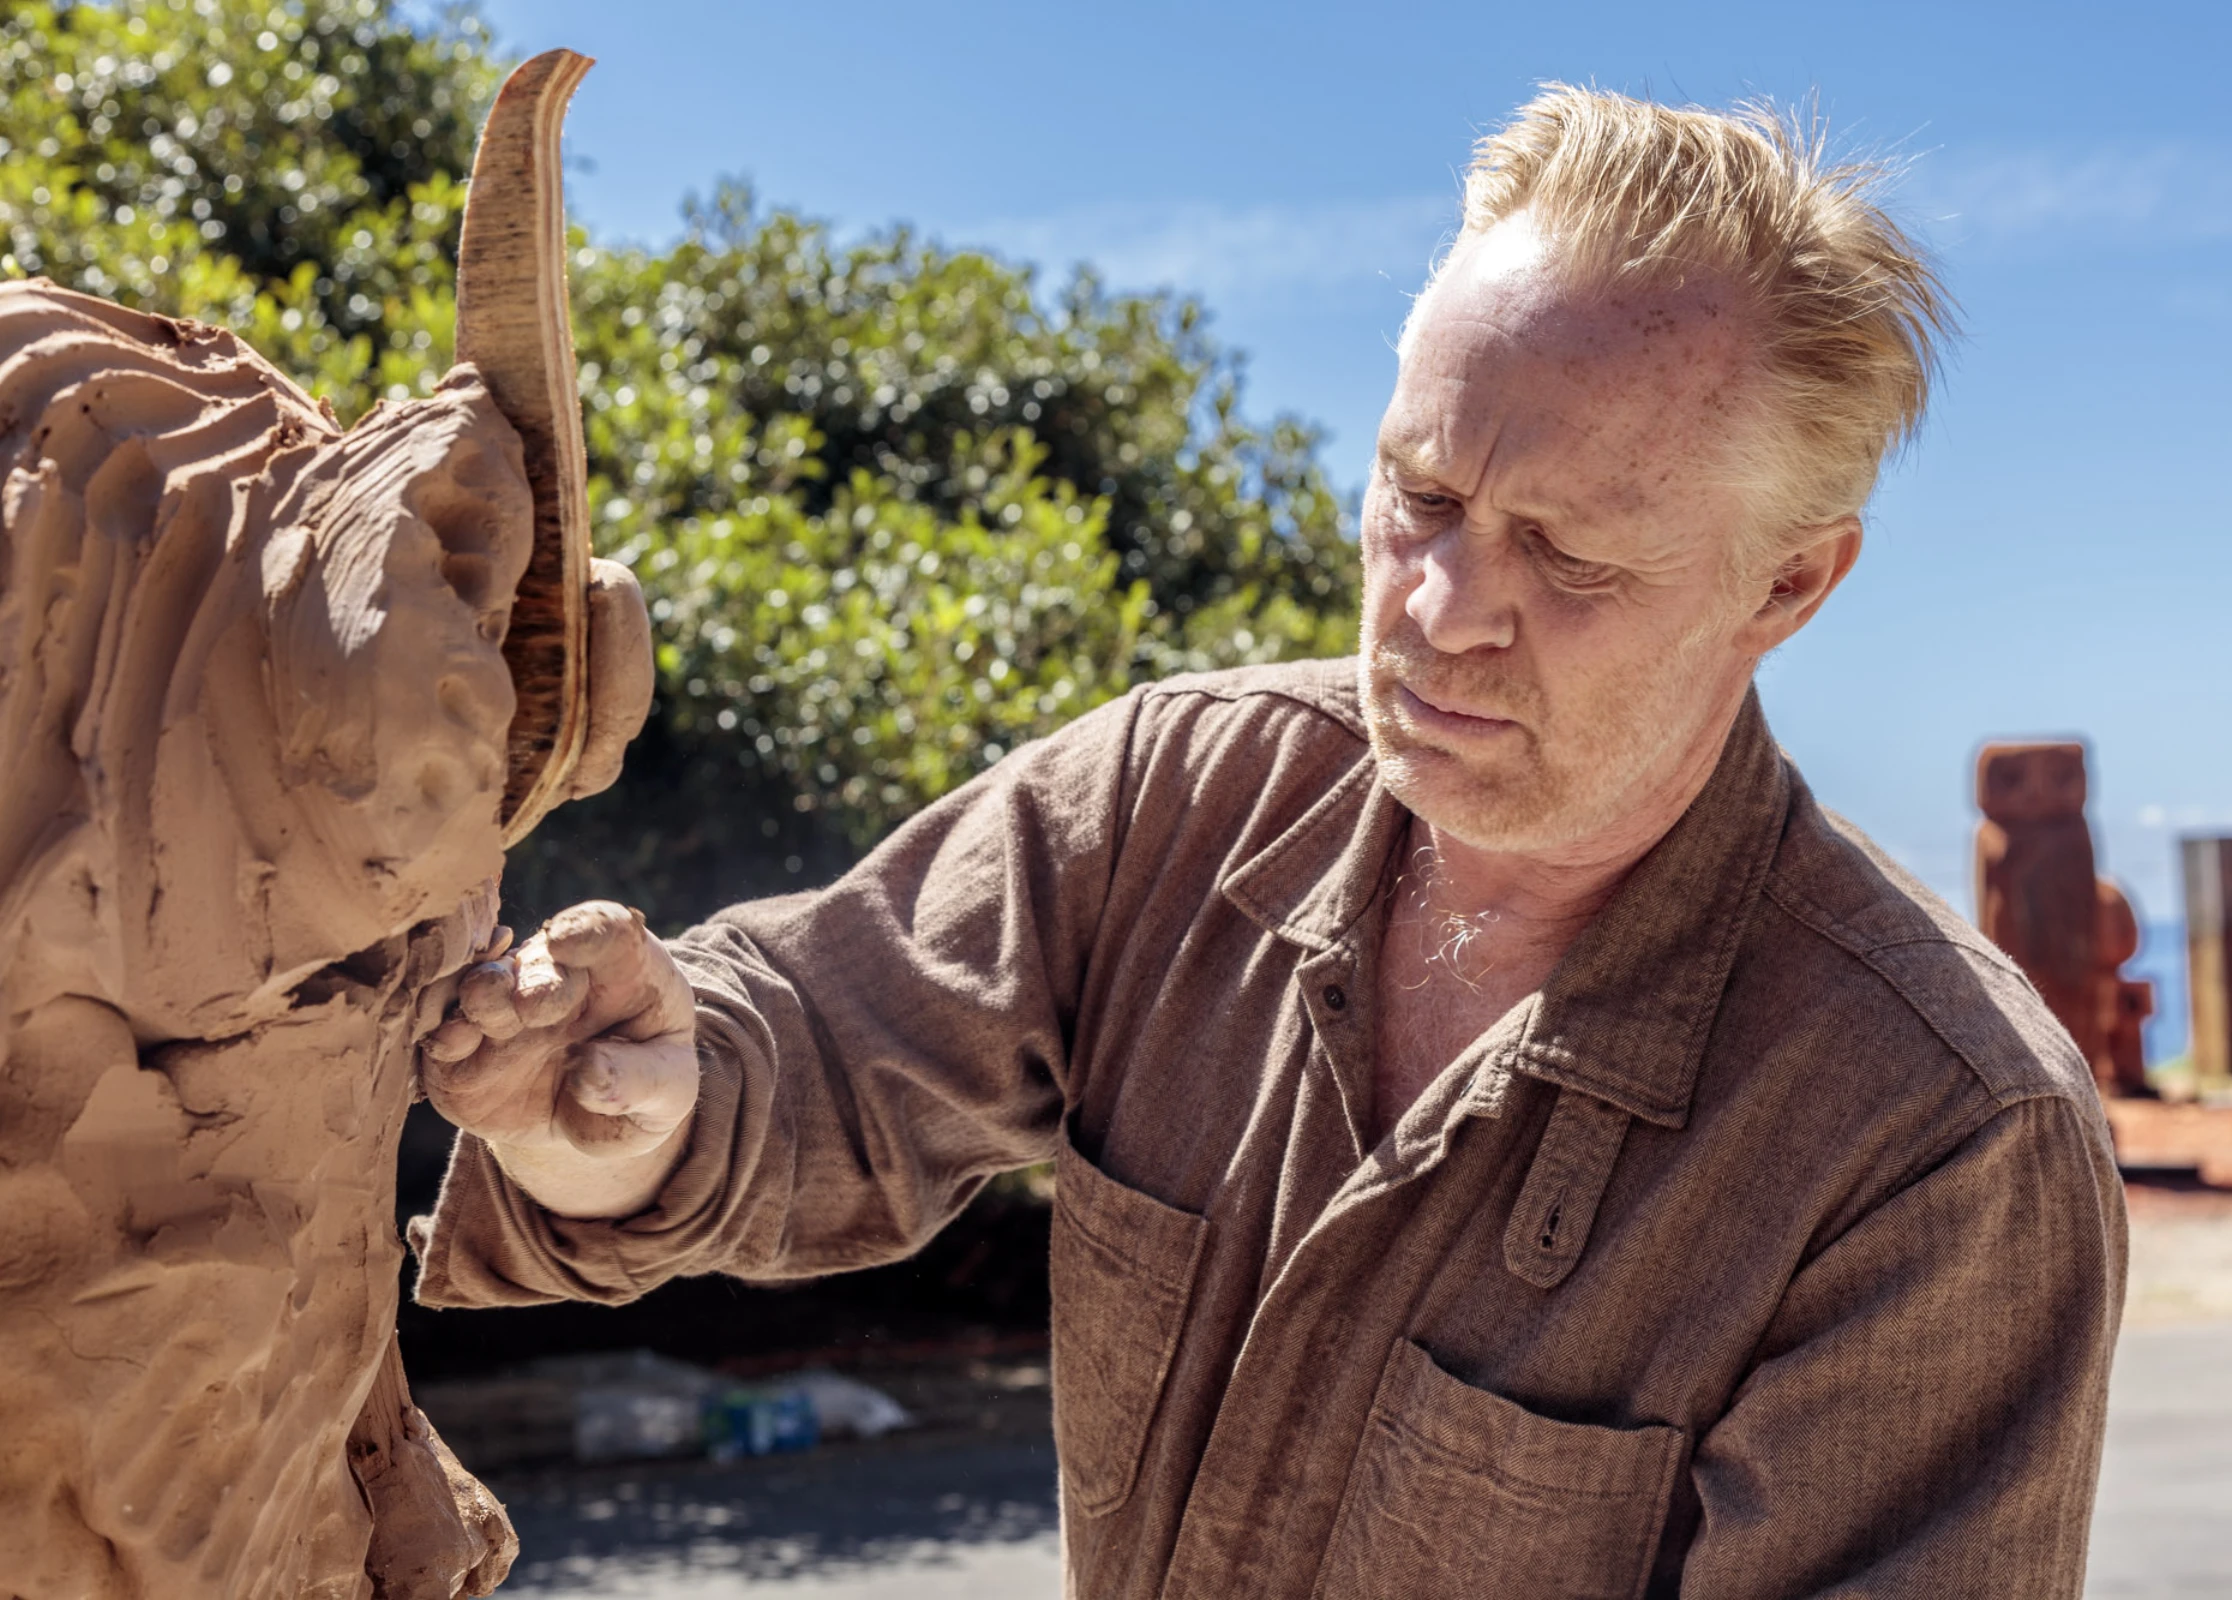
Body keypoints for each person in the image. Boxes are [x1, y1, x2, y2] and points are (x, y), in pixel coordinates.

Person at [413, 88, 2125, 1599]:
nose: (1439, 610)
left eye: (1571, 558)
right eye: (1420, 496)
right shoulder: (1180, 794)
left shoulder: (1940, 1146)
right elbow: (808, 1051)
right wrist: (614, 1110)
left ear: (1790, 583)